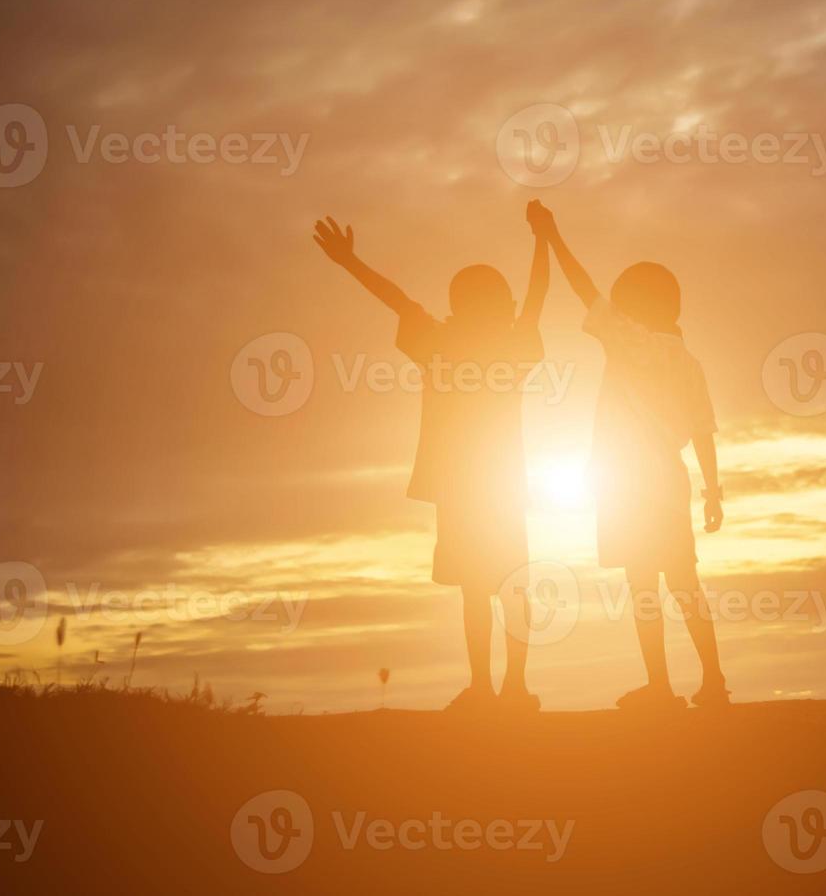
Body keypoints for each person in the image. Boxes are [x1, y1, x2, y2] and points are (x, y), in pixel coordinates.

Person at [311, 212, 549, 712]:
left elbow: (396, 298)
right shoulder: (512, 342)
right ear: (499, 306)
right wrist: (543, 239)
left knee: (476, 589)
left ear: (458, 306)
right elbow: (537, 297)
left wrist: (350, 262)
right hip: (502, 486)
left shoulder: (440, 341)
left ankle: (486, 687)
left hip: (461, 488)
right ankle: (513, 688)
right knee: (510, 586)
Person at [526, 201, 730, 709]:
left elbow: (581, 287)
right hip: (671, 477)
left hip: (630, 483)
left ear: (635, 308)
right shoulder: (689, 361)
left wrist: (550, 234)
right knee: (685, 582)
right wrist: (713, 493)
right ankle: (713, 682)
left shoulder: (631, 342)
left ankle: (660, 687)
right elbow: (704, 431)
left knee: (642, 584)